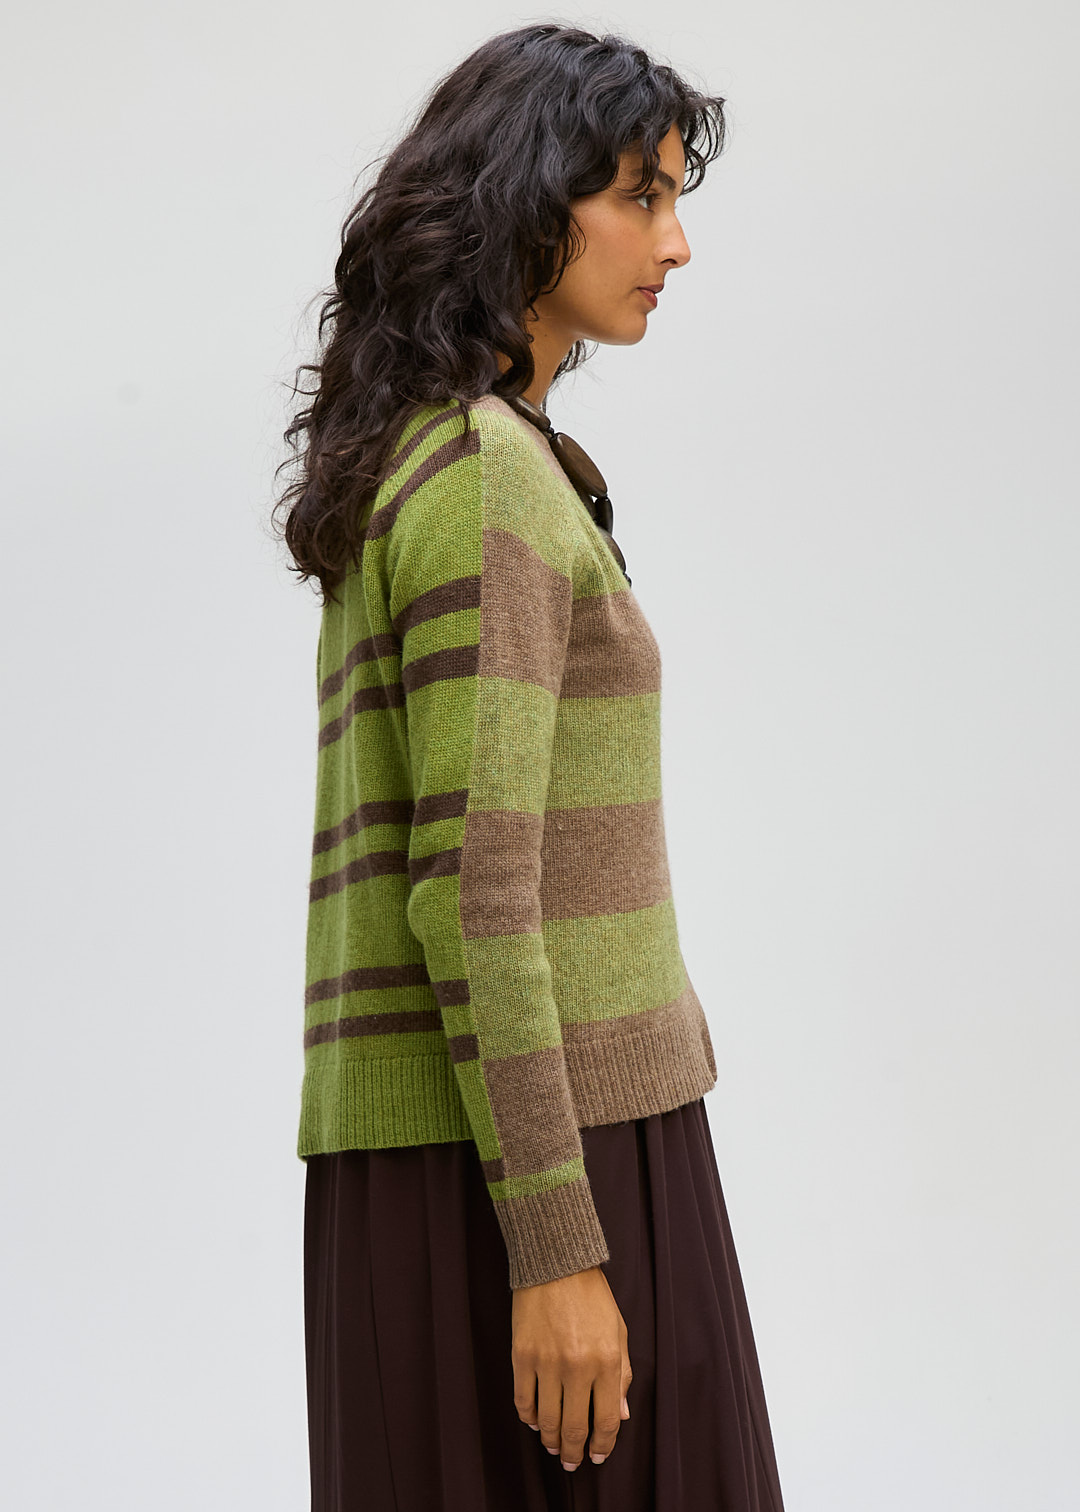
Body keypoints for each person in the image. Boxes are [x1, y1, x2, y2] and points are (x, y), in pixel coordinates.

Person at [273, 22, 787, 1512]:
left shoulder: (449, 457)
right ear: (524, 199)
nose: (675, 244)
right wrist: (560, 1249)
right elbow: (475, 891)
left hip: (471, 1150)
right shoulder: (487, 475)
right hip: (545, 1159)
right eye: (640, 196)